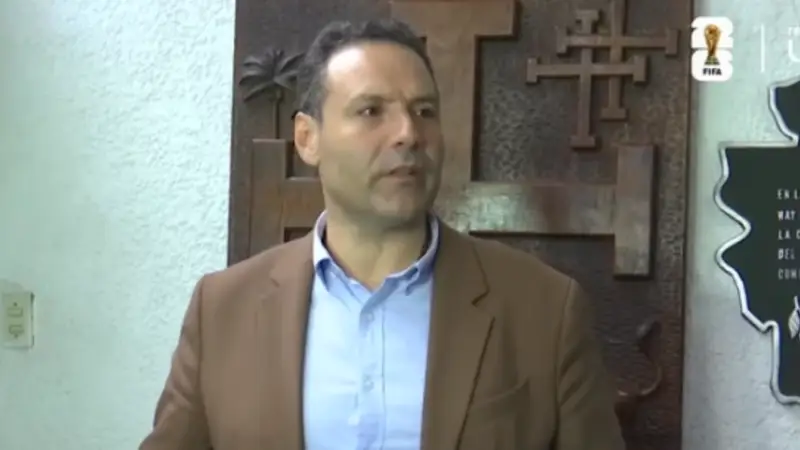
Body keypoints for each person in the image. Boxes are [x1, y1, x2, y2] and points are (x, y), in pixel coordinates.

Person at [139, 18, 624, 450]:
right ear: (308, 138)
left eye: (424, 111)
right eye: (372, 111)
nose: (408, 133)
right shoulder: (223, 310)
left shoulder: (543, 309)